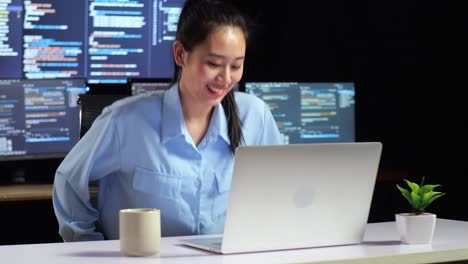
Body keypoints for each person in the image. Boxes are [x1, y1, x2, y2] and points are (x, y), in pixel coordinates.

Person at [52, 0, 281, 242]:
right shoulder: (126, 120)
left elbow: (280, 190)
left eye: (236, 65)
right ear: (181, 54)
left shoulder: (255, 116)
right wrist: (90, 248)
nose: (226, 78)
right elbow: (68, 181)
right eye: (213, 64)